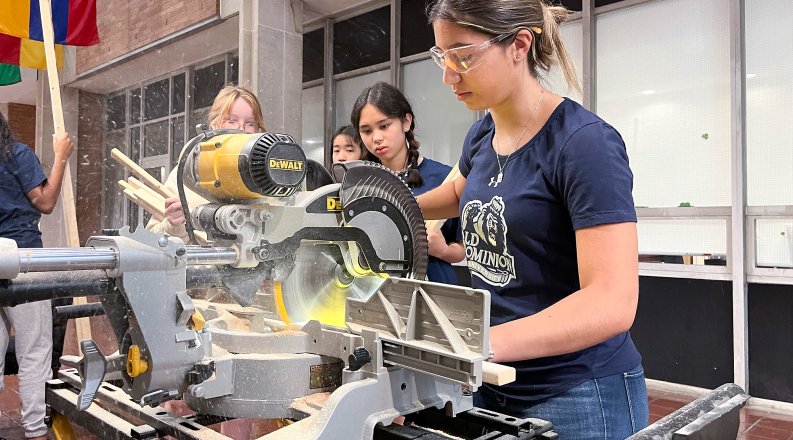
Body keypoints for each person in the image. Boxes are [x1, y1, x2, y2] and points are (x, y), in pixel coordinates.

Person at [416, 1, 648, 438]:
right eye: (441, 57)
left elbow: (612, 302)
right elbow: (453, 194)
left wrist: (477, 343)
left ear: (519, 45)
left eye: (462, 56)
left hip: (578, 392)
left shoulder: (584, 144)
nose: (449, 75)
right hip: (495, 383)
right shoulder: (483, 133)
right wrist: (382, 204)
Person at [0, 111, 75, 440]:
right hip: (23, 262)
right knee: (34, 351)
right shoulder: (15, 153)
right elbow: (44, 201)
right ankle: (34, 431)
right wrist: (60, 155)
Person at [351, 81, 464, 284]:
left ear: (406, 122)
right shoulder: (359, 187)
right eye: (366, 131)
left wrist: (444, 250)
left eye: (384, 126)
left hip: (436, 292)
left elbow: (462, 249)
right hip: (376, 292)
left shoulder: (446, 179)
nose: (376, 137)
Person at [146, 85, 266, 241]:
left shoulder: (269, 179)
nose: (241, 129)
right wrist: (174, 226)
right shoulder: (187, 176)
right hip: (199, 265)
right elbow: (153, 240)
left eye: (250, 123)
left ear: (259, 129)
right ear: (214, 125)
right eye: (231, 121)